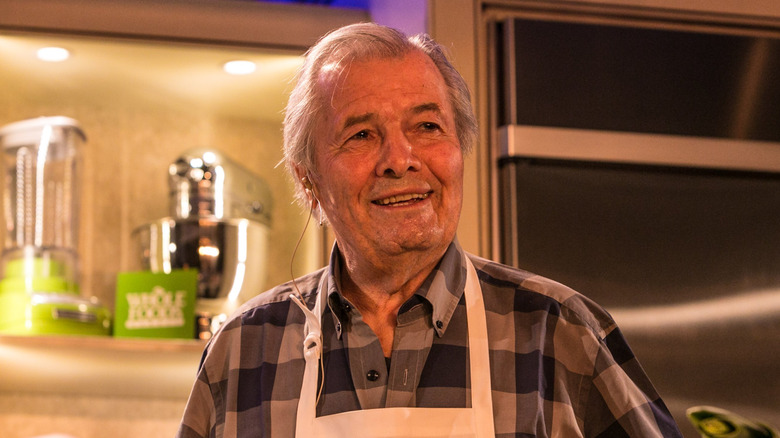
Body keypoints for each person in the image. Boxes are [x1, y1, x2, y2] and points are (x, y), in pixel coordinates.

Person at [176, 22, 682, 438]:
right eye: (361, 135)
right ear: (309, 181)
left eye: (427, 127)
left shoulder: (560, 335)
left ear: (460, 150)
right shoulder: (243, 350)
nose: (400, 160)